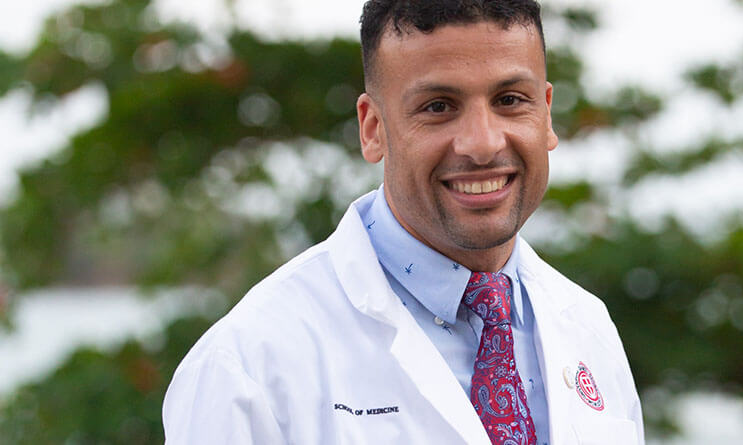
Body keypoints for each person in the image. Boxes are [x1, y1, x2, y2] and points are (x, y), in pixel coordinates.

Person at [162, 1, 643, 443]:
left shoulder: (588, 327)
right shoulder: (248, 364)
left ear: (546, 114)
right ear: (373, 129)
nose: (481, 143)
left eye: (511, 100)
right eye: (438, 107)